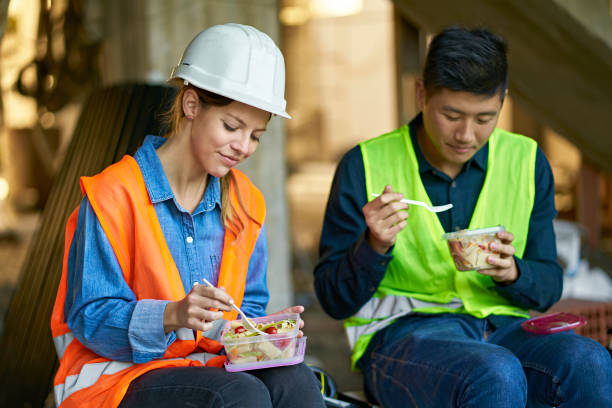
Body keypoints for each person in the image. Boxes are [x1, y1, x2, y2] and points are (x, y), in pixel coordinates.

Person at [314, 26, 612, 407]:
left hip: (501, 329)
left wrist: (514, 273)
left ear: (502, 101)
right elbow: (333, 299)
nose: (466, 135)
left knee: (589, 361)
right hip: (403, 338)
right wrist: (373, 246)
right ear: (421, 94)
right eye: (451, 115)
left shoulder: (526, 161)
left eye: (485, 118)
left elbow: (550, 284)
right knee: (494, 372)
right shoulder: (365, 165)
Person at [51, 23, 325, 408]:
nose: (243, 146)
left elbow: (245, 311)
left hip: (206, 364)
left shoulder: (246, 201)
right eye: (232, 126)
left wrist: (262, 330)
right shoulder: (114, 195)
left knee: (296, 381)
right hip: (115, 374)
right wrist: (171, 315)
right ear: (191, 105)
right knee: (238, 396)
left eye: (256, 135)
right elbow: (90, 319)